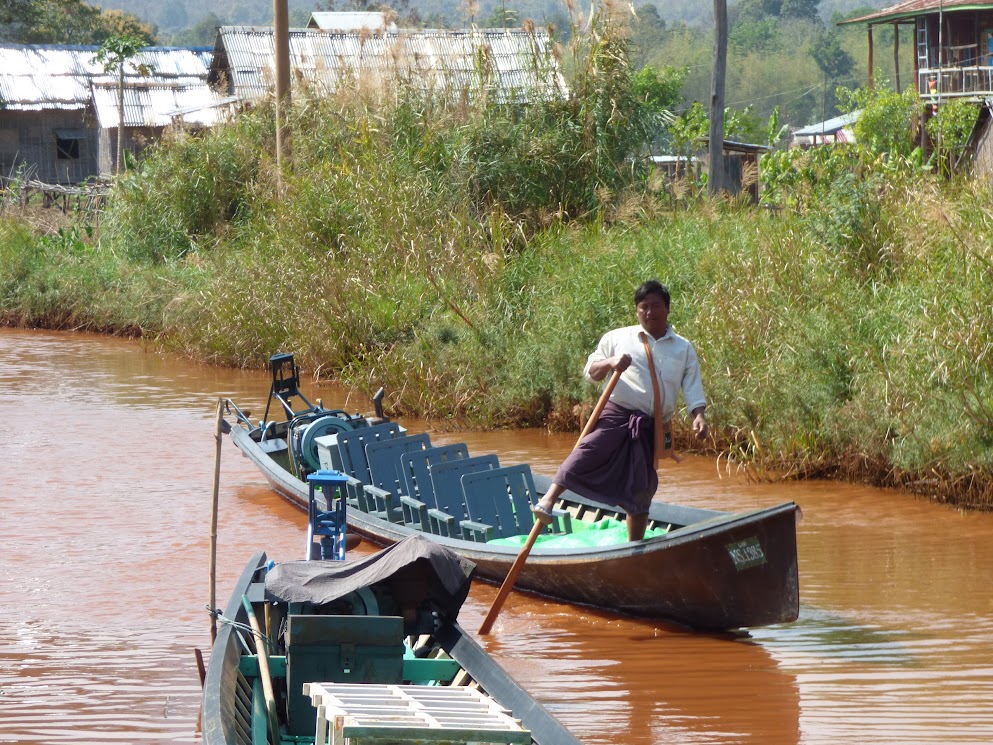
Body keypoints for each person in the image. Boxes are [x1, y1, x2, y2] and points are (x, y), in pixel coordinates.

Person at [531, 279, 708, 541]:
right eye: (643, 307)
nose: (649, 312)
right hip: (618, 415)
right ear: (636, 311)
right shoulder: (618, 338)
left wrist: (699, 416)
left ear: (667, 309)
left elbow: (692, 386)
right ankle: (547, 501)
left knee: (642, 489)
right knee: (587, 453)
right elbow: (591, 372)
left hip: (651, 426)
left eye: (655, 306)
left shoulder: (683, 348)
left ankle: (633, 546)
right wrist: (611, 362)